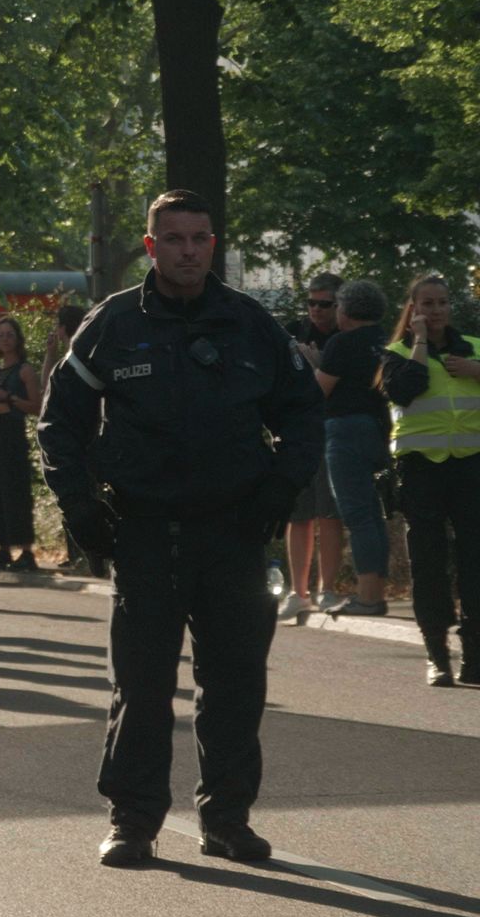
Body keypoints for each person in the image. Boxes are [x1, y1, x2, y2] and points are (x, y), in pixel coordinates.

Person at [39, 189, 323, 869]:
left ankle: (226, 818)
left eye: (199, 238)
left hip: (233, 533)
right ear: (151, 246)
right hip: (145, 532)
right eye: (175, 239)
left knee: (234, 683)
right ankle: (132, 821)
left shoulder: (250, 324)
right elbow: (61, 422)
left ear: (213, 244)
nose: (189, 250)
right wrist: (79, 507)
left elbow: (305, 413)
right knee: (141, 685)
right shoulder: (112, 325)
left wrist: (282, 487)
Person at [378, 272, 480, 686]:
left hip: (470, 465)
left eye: (441, 303)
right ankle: (437, 656)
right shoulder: (398, 353)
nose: (435, 310)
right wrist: (419, 343)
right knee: (429, 565)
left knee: (475, 563)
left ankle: (474, 657)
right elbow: (403, 392)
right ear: (413, 309)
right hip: (421, 470)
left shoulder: (474, 349)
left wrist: (476, 370)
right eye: (427, 304)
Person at [314, 280, 392, 617]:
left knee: (357, 515)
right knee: (374, 515)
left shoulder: (341, 343)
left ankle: (368, 597)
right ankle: (376, 589)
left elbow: (319, 392)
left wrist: (312, 363)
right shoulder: (389, 340)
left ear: (345, 310)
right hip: (380, 428)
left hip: (345, 429)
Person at [281, 273, 348, 617]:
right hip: (298, 430)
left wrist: (319, 367)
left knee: (329, 511)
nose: (316, 311)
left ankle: (329, 588)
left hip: (334, 428)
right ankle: (298, 590)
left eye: (325, 304)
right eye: (311, 303)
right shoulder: (294, 333)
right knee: (300, 512)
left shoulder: (347, 337)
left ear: (340, 305)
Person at [0, 316, 40, 573]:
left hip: (14, 436)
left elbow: (37, 407)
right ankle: (2, 549)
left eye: (10, 335)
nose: (5, 339)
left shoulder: (25, 370)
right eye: (0, 335)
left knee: (16, 491)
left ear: (18, 339)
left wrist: (10, 398)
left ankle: (26, 551)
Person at [40, 304, 90, 570]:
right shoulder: (90, 348)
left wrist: (51, 353)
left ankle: (81, 553)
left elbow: (47, 385)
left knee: (71, 494)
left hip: (72, 437)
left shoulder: (72, 356)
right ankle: (82, 553)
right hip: (87, 435)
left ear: (61, 328)